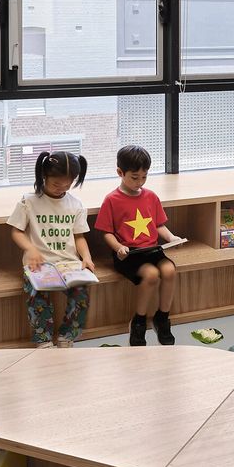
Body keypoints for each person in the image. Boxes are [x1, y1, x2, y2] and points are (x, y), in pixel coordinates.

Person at [7, 150, 95, 348]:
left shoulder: (75, 204)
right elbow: (16, 232)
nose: (61, 189)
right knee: (36, 296)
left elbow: (79, 236)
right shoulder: (29, 201)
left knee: (81, 294)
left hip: (68, 264)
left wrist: (86, 258)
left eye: (68, 184)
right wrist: (30, 249)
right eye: (56, 184)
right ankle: (44, 340)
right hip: (39, 264)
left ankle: (67, 337)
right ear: (44, 176)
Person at [95, 144, 179, 346]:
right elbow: (106, 232)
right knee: (150, 275)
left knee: (169, 270)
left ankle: (162, 317)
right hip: (128, 254)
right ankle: (139, 321)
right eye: (134, 177)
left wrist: (171, 238)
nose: (139, 182)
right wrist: (118, 248)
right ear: (120, 173)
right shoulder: (112, 200)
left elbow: (158, 225)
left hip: (151, 249)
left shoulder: (150, 196)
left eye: (144, 177)